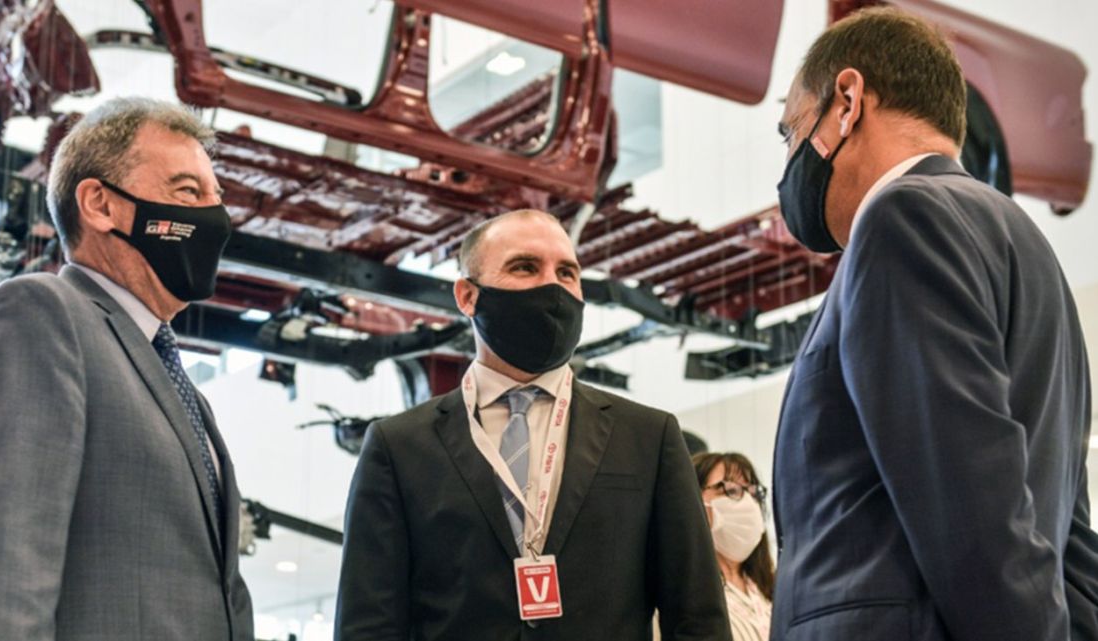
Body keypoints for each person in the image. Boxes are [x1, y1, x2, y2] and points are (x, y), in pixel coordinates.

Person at [771, 7, 1096, 641]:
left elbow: (972, 512)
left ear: (848, 99)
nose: (788, 166)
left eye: (790, 133)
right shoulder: (1023, 241)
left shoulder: (901, 219)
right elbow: (1068, 531)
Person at [335, 209, 731, 641]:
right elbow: (368, 624)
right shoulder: (398, 446)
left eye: (567, 272)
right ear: (468, 296)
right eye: (525, 267)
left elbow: (697, 617)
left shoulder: (648, 438)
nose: (552, 287)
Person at [0, 97, 254, 640]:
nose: (217, 220)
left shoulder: (180, 385)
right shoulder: (41, 316)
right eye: (188, 192)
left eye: (218, 199)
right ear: (99, 204)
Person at [694, 453, 773, 641]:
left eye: (753, 493)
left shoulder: (769, 586)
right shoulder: (684, 592)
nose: (747, 503)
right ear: (695, 499)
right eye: (731, 490)